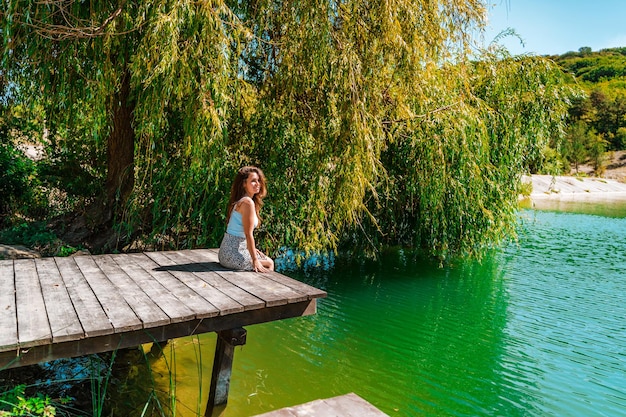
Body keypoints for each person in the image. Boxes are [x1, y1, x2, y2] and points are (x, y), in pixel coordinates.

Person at [218, 166, 275, 272]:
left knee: (266, 262)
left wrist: (251, 250)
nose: (258, 183)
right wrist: (254, 259)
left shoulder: (243, 201)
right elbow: (248, 234)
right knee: (269, 263)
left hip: (228, 251)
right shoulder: (247, 202)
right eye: (253, 181)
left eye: (258, 180)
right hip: (232, 254)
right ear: (244, 184)